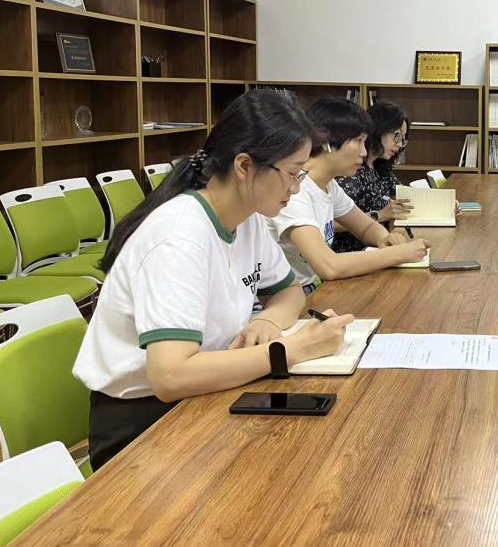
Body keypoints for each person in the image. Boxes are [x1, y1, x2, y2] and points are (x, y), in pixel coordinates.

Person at [73, 90, 355, 470]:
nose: (297, 187)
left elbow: (289, 291)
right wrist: (291, 349)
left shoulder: (248, 218)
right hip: (144, 425)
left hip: (207, 388)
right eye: (292, 173)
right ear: (245, 166)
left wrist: (268, 322)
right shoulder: (179, 237)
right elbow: (170, 376)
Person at [267, 97, 430, 289]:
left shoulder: (329, 185)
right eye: (358, 141)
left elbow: (366, 227)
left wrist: (385, 238)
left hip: (316, 288)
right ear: (326, 141)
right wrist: (399, 253)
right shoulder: (294, 190)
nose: (364, 152)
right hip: (294, 294)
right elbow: (329, 267)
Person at [332, 100, 413, 253]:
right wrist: (380, 215)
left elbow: (406, 195)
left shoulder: (380, 167)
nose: (400, 144)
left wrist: (443, 203)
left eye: (403, 139)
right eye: (397, 136)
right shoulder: (351, 173)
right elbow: (333, 223)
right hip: (353, 252)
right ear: (379, 129)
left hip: (377, 245)